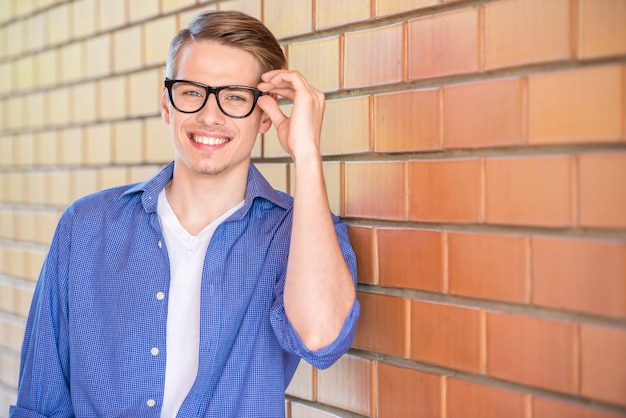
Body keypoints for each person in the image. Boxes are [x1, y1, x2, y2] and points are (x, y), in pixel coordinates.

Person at [10, 10, 359, 418]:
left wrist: (307, 153)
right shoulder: (87, 226)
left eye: (234, 97)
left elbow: (320, 338)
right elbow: (41, 399)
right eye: (192, 91)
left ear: (265, 115)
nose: (210, 116)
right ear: (166, 104)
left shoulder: (294, 234)